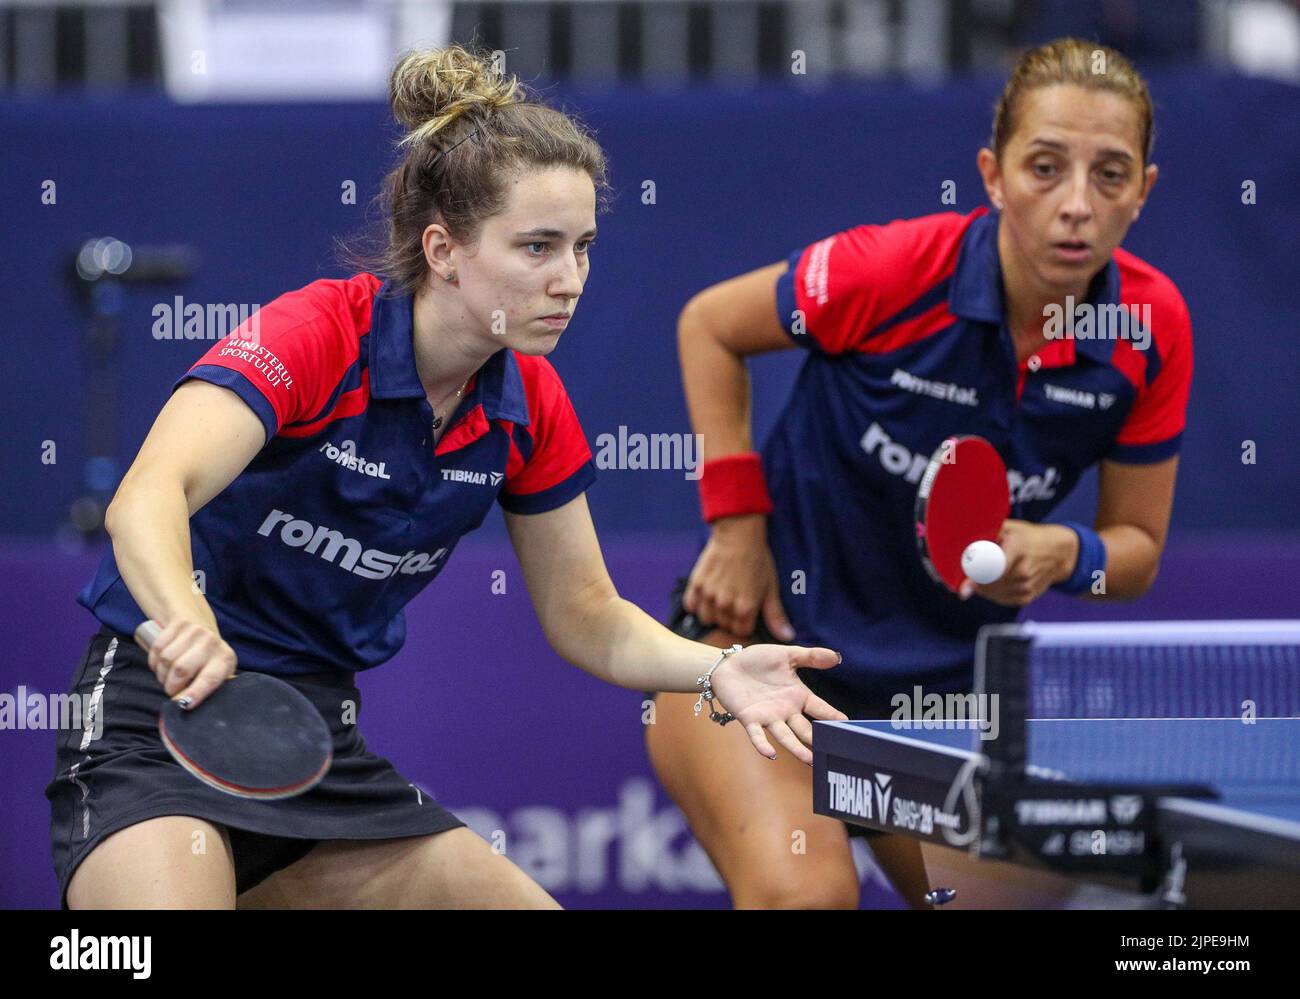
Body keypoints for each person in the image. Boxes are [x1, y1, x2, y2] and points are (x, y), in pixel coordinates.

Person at [48, 45, 846, 910]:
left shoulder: (527, 403)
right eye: (537, 246)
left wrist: (715, 670)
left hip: (316, 744)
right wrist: (187, 619)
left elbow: (586, 614)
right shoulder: (319, 335)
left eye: (582, 247)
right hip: (157, 716)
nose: (569, 278)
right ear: (444, 249)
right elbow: (148, 496)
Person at [646, 37, 1193, 909]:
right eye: (1045, 167)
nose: (1076, 205)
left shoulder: (1148, 331)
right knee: (808, 897)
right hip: (764, 658)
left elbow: (1135, 553)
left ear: (1144, 194)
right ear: (994, 175)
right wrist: (738, 525)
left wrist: (1065, 548)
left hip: (938, 708)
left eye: (1111, 174)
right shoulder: (893, 271)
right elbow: (709, 325)